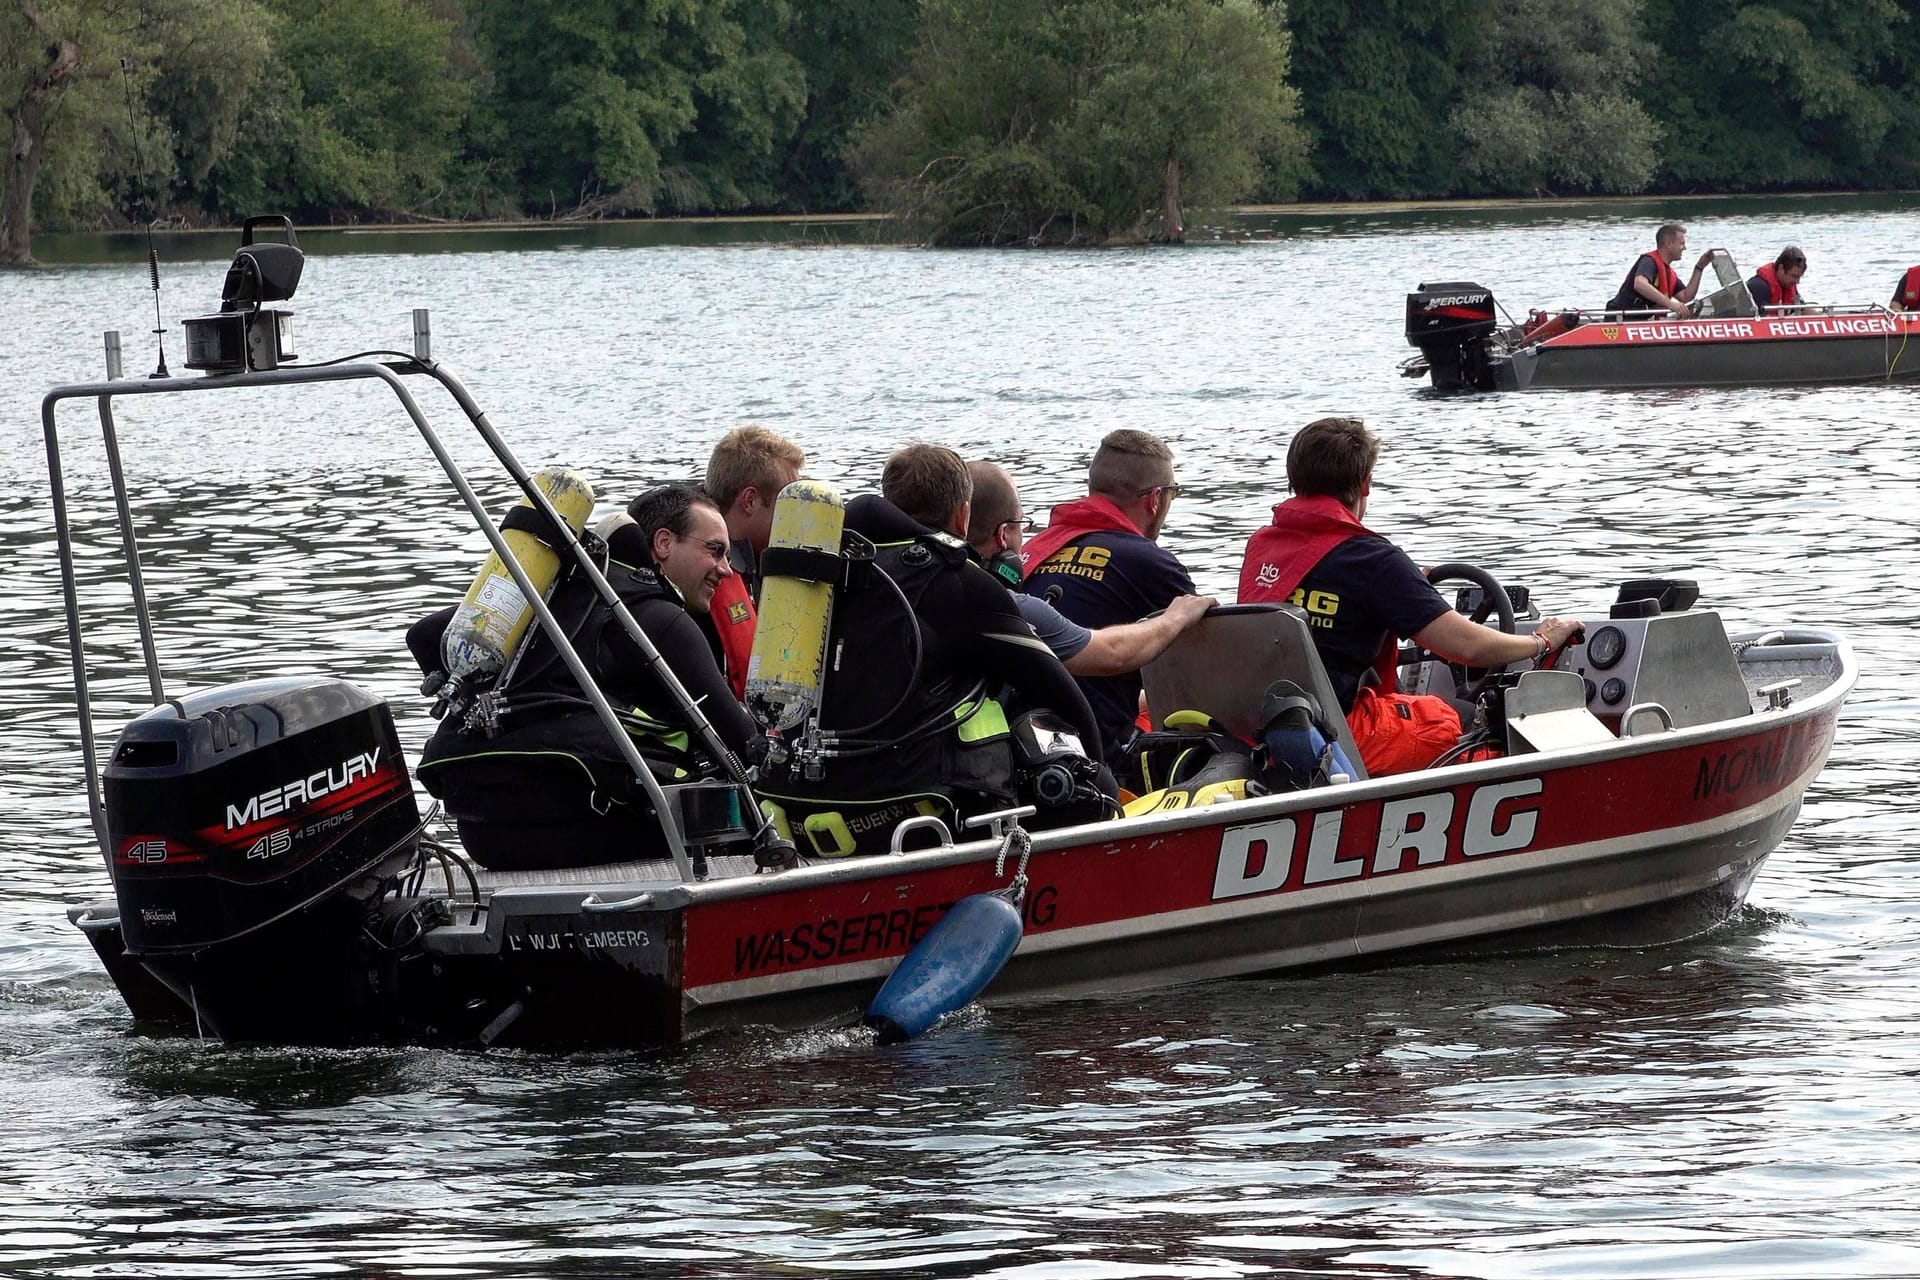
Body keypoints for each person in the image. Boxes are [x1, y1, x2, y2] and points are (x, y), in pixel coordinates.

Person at [757, 444, 1104, 857]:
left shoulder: (822, 572)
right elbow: (1064, 696)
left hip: (793, 809)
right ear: (962, 514)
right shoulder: (955, 580)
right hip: (907, 817)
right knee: (1088, 778)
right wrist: (1099, 770)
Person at [410, 484, 757, 871]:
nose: (726, 569)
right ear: (663, 543)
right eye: (715, 550)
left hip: (483, 838)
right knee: (731, 812)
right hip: (583, 831)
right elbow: (739, 744)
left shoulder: (556, 597)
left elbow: (423, 634)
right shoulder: (662, 621)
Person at [1238, 417, 1583, 777]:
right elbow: (1470, 648)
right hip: (1340, 729)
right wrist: (1540, 640)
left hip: (1264, 721)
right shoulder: (1374, 560)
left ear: (1295, 481)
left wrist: (1405, 592)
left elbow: (1327, 599)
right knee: (1470, 725)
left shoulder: (1262, 546)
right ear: (1365, 483)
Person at [1020, 429, 1195, 778]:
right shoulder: (1151, 563)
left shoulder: (1032, 551)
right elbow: (1205, 662)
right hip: (1100, 753)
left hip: (1023, 740)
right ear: (1155, 499)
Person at [966, 460, 1214, 675]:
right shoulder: (1009, 607)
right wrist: (1175, 618)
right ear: (1003, 535)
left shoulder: (932, 581)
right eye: (1021, 524)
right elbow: (1112, 654)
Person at [703, 425, 805, 699]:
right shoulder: (699, 575)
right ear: (750, 501)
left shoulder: (755, 560)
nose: (796, 519)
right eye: (788, 505)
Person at [1607, 223, 1716, 318]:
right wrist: (1670, 304)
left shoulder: (1668, 273)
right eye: (1681, 243)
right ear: (1669, 244)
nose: (1684, 248)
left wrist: (1699, 268)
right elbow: (1639, 284)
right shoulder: (1649, 262)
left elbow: (1685, 297)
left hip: (1640, 319)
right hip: (1622, 318)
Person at [1748, 247, 1807, 311]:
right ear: (1781, 268)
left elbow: (1803, 309)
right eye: (1794, 276)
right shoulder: (1759, 286)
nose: (1797, 282)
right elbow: (1763, 318)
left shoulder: (1789, 284)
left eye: (1799, 277)